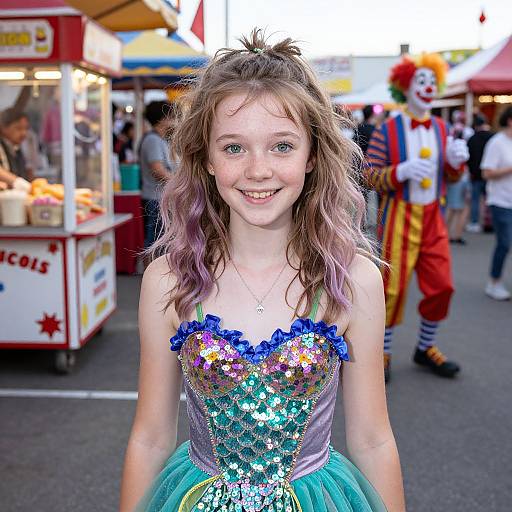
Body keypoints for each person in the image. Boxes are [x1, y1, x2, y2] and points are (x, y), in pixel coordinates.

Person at [120, 29, 405, 512]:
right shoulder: (168, 280)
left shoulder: (353, 279)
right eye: (233, 148)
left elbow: (373, 439)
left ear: (312, 155)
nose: (257, 170)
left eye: (281, 146)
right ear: (206, 159)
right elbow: (149, 437)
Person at [366, 53, 469, 382]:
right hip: (399, 215)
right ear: (405, 86)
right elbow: (369, 176)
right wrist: (400, 172)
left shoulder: (441, 127)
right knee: (391, 289)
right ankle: (382, 351)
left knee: (442, 286)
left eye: (431, 81)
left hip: (433, 217)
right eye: (419, 81)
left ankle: (425, 348)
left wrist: (455, 163)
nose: (426, 87)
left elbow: (451, 178)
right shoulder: (388, 129)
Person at [481, 106, 512, 301]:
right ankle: (494, 281)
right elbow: (487, 172)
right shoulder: (497, 143)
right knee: (504, 242)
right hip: (501, 201)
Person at [139, 101, 175, 250]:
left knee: (159, 241)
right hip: (155, 199)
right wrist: (182, 183)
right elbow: (158, 171)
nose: (175, 120)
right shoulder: (153, 140)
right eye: (172, 116)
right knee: (154, 242)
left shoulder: (160, 139)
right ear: (163, 119)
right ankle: (150, 272)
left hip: (160, 198)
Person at [446, 111, 473, 245]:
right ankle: (452, 234)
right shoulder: (466, 133)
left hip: (460, 174)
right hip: (462, 175)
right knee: (457, 207)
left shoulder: (451, 131)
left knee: (455, 206)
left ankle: (450, 234)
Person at [467, 114, 494, 233]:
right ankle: (490, 222)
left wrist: (471, 171)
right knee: (491, 200)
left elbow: (468, 158)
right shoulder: (493, 137)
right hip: (490, 174)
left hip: (476, 175)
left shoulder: (472, 139)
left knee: (475, 200)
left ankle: (474, 222)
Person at [0, 108, 31, 192]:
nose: (23, 133)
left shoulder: (17, 148)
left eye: (26, 128)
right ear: (4, 128)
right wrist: (16, 181)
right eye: (18, 128)